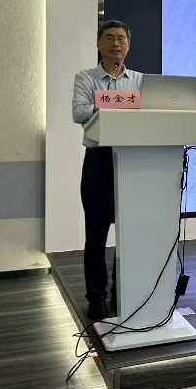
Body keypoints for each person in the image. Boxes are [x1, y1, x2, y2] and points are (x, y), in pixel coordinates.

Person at [72, 20, 143, 320]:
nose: (116, 44)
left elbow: (149, 112)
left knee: (128, 233)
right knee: (96, 234)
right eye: (110, 38)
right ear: (99, 44)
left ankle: (122, 290)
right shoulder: (86, 77)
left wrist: (107, 103)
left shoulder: (139, 80)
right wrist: (114, 102)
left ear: (128, 46)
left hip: (132, 161)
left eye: (121, 39)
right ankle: (96, 295)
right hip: (99, 161)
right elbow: (79, 112)